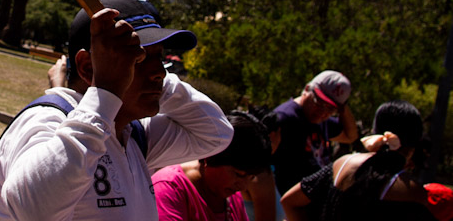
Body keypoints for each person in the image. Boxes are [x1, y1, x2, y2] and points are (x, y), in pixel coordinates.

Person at [0, 0, 233, 221]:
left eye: (159, 58)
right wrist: (105, 90)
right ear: (87, 68)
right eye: (138, 58)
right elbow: (31, 210)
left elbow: (216, 133)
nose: (159, 72)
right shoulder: (45, 120)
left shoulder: (133, 135)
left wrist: (158, 83)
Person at [281, 100, 436, 220]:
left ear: (375, 131)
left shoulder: (343, 164)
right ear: (413, 144)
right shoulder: (412, 191)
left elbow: (289, 202)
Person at [153, 111, 273, 221]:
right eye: (239, 174)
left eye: (251, 178)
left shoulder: (231, 195)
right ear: (212, 155)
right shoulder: (169, 189)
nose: (243, 186)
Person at [271, 70, 358, 195]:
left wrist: (343, 108)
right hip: (291, 202)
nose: (323, 112)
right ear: (307, 89)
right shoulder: (285, 118)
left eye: (330, 109)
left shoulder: (321, 120)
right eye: (319, 103)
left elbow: (350, 136)